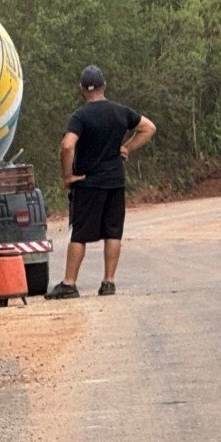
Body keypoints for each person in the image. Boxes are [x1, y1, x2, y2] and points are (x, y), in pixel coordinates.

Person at [47, 65, 156, 299]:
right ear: (104, 86)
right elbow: (148, 128)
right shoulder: (120, 112)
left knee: (80, 234)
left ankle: (69, 283)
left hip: (88, 184)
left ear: (82, 90)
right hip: (115, 181)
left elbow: (67, 145)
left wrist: (67, 176)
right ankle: (108, 282)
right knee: (113, 232)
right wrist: (126, 148)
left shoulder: (80, 116)